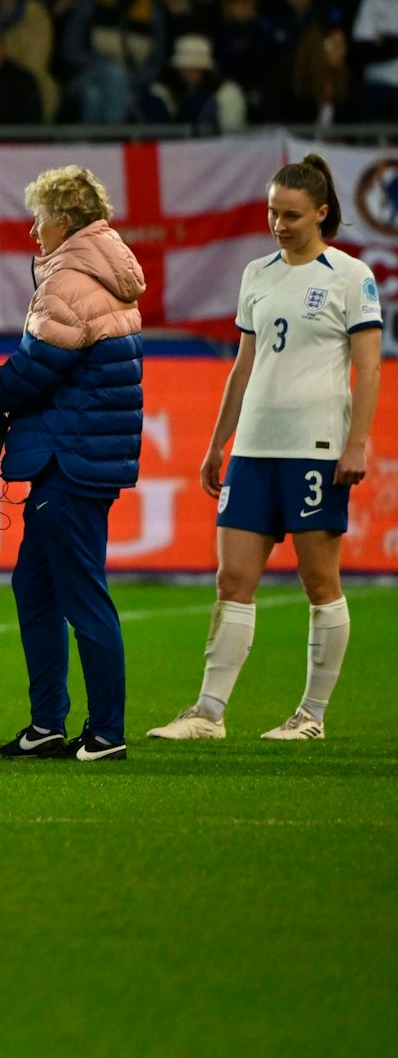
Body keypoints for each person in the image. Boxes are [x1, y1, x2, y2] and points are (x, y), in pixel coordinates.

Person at [150, 157, 380, 744]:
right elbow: (244, 364)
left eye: (292, 215)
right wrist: (217, 442)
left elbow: (369, 368)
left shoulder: (351, 277)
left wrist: (357, 443)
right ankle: (208, 713)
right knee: (232, 578)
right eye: (273, 212)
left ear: (322, 213)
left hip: (315, 445)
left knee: (318, 581)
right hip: (254, 446)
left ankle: (312, 717)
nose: (278, 223)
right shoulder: (258, 273)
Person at [0, 166, 144, 762]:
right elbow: (44, 374)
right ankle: (48, 723)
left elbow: (27, 380)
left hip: (67, 458)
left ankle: (106, 733)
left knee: (82, 594)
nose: (33, 231)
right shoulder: (107, 268)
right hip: (83, 451)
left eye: (40, 218)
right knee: (37, 587)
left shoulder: (69, 281)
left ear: (65, 221)